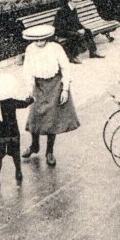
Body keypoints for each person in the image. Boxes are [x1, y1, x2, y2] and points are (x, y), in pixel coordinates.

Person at [21, 24, 80, 166]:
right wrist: (29, 88)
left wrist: (65, 89)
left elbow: (66, 67)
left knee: (51, 119)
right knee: (35, 116)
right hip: (39, 85)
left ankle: (49, 151)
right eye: (36, 41)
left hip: (54, 84)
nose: (39, 43)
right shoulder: (30, 50)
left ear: (47, 39)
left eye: (42, 40)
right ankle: (34, 145)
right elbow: (27, 69)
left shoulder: (55, 48)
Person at [0, 73, 34, 189]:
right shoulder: (12, 102)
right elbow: (24, 104)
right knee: (15, 154)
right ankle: (18, 172)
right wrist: (31, 99)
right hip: (13, 134)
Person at [53, 0, 105, 64]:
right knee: (75, 35)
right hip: (61, 31)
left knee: (87, 31)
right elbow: (63, 26)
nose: (76, 3)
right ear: (70, 1)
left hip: (69, 29)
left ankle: (93, 52)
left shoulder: (73, 9)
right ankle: (74, 56)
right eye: (75, 2)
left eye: (77, 2)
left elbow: (76, 22)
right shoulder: (62, 11)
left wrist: (82, 28)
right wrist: (77, 31)